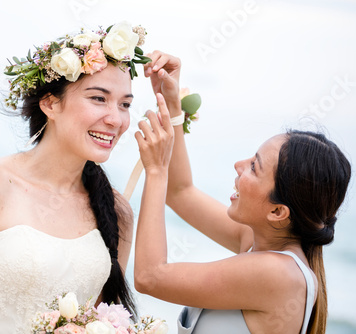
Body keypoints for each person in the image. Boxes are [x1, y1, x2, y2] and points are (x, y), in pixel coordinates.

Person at [0, 22, 150, 333]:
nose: (116, 118)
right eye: (98, 99)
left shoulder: (116, 212)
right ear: (50, 103)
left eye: (125, 104)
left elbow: (101, 321)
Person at [133, 51, 351, 334]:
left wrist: (155, 170)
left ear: (277, 211)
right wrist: (173, 106)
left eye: (254, 167)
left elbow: (150, 276)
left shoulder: (278, 274)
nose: (238, 165)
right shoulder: (259, 243)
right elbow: (180, 193)